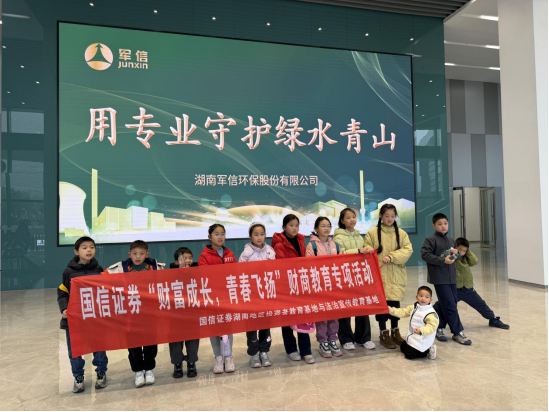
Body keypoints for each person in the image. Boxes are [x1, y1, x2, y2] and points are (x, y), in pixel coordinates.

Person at [103, 240, 165, 388]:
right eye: (135, 253)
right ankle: (138, 371)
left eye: (141, 253)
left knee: (151, 345)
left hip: (150, 314)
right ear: (129, 254)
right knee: (133, 346)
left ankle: (149, 370)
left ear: (147, 254)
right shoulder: (119, 269)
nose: (138, 256)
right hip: (130, 316)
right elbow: (100, 278)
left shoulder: (156, 267)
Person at [58, 237, 108, 394]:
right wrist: (64, 309)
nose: (89, 250)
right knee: (75, 349)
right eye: (84, 247)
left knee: (99, 346)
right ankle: (78, 376)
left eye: (92, 247)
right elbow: (62, 293)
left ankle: (101, 372)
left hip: (95, 318)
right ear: (76, 251)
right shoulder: (68, 272)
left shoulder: (99, 270)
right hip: (75, 320)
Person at [364, 204, 413, 350]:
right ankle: (383, 332)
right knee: (382, 305)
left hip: (396, 274)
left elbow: (408, 250)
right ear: (381, 216)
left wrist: (392, 257)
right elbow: (367, 248)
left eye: (392, 216)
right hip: (379, 275)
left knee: (394, 304)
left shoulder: (402, 233)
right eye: (387, 216)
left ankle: (395, 331)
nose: (390, 219)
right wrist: (368, 250)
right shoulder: (372, 233)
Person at [421, 213, 472, 346]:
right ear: (434, 226)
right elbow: (425, 255)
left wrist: (457, 254)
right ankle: (458, 332)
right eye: (439, 224)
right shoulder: (430, 240)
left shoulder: (451, 240)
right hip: (439, 278)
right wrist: (442, 260)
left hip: (452, 278)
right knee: (450, 304)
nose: (443, 226)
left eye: (445, 223)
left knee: (449, 303)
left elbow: (455, 259)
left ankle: (438, 327)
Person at [437, 238, 509, 330]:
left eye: (464, 250)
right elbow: (446, 259)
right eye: (460, 249)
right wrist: (455, 253)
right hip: (455, 289)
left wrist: (467, 252)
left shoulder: (466, 259)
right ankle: (433, 320)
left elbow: (474, 261)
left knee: (481, 304)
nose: (462, 252)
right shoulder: (451, 257)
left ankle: (493, 319)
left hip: (468, 289)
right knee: (442, 305)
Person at [271, 214, 316, 365]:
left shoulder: (301, 241)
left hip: (300, 284)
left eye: (296, 225)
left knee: (303, 317)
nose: (294, 228)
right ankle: (291, 349)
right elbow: (281, 266)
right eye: (291, 225)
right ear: (284, 227)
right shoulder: (279, 245)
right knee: (287, 318)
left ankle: (306, 350)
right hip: (285, 286)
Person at [333, 208, 376, 351]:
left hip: (358, 276)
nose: (352, 220)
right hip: (345, 276)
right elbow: (340, 254)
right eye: (348, 217)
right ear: (342, 220)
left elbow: (363, 250)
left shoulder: (359, 236)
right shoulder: (338, 237)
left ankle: (363, 338)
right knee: (345, 308)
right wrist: (357, 251)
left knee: (362, 305)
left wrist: (367, 249)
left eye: (353, 217)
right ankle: (346, 339)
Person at [198, 224, 237, 374]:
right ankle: (218, 357)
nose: (220, 237)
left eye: (222, 234)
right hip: (212, 298)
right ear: (209, 237)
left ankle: (228, 356)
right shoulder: (204, 256)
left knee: (227, 327)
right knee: (214, 327)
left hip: (227, 297)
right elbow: (204, 276)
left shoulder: (229, 254)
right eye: (216, 234)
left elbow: (235, 272)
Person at [239, 222, 277, 368]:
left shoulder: (270, 251)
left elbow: (275, 271)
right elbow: (240, 274)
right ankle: (254, 353)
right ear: (250, 236)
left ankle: (264, 352)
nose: (259, 237)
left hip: (267, 295)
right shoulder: (246, 253)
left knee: (265, 324)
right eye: (256, 234)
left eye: (262, 234)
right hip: (252, 295)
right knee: (252, 325)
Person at [306, 217, 343, 358]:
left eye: (328, 226)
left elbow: (341, 263)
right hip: (320, 286)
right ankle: (323, 342)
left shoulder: (336, 245)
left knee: (334, 314)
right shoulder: (312, 246)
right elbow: (308, 266)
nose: (326, 228)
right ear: (316, 228)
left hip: (334, 285)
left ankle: (333, 339)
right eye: (323, 226)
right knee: (322, 315)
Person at [169, 247, 200, 379]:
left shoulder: (197, 272)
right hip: (175, 315)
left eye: (190, 258)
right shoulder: (169, 274)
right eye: (184, 258)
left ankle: (191, 362)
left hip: (192, 313)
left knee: (193, 339)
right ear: (177, 262)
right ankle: (177, 364)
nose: (187, 261)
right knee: (175, 340)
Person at [388, 287, 439, 361]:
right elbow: (402, 312)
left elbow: (432, 327)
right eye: (421, 296)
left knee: (409, 354)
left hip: (423, 339)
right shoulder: (413, 307)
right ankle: (416, 347)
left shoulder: (430, 313)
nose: (423, 299)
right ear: (417, 297)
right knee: (402, 347)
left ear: (430, 300)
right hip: (413, 336)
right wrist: (390, 310)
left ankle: (428, 350)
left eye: (427, 297)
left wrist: (421, 330)